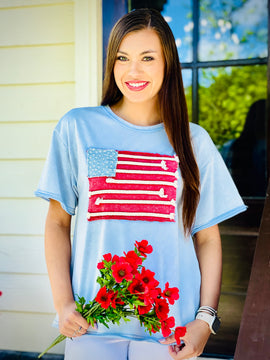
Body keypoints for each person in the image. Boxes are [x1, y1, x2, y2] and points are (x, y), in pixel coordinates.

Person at [35, 8, 246, 360]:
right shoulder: (77, 127)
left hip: (171, 336)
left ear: (168, 65)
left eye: (147, 58)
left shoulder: (194, 142)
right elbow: (58, 222)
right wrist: (63, 302)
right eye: (122, 58)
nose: (133, 71)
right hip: (92, 327)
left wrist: (205, 321)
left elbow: (207, 238)